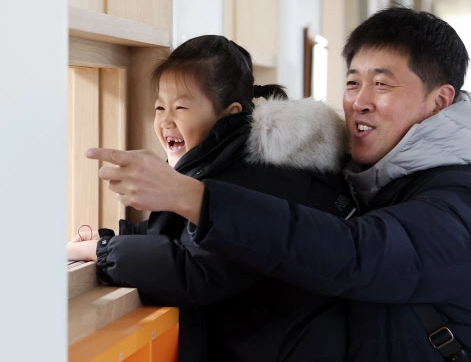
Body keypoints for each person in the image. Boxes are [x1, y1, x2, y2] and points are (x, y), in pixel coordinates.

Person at [88, 7, 471, 362]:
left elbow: (358, 255)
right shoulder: (377, 178)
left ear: (439, 101)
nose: (359, 101)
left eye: (382, 84)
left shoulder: (467, 198)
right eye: (352, 82)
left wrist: (194, 198)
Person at [67, 34, 358, 362]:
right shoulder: (226, 161)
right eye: (160, 107)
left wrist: (102, 251)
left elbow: (196, 273)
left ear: (228, 114)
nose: (165, 121)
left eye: (180, 107)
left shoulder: (258, 176)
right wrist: (114, 237)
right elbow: (186, 235)